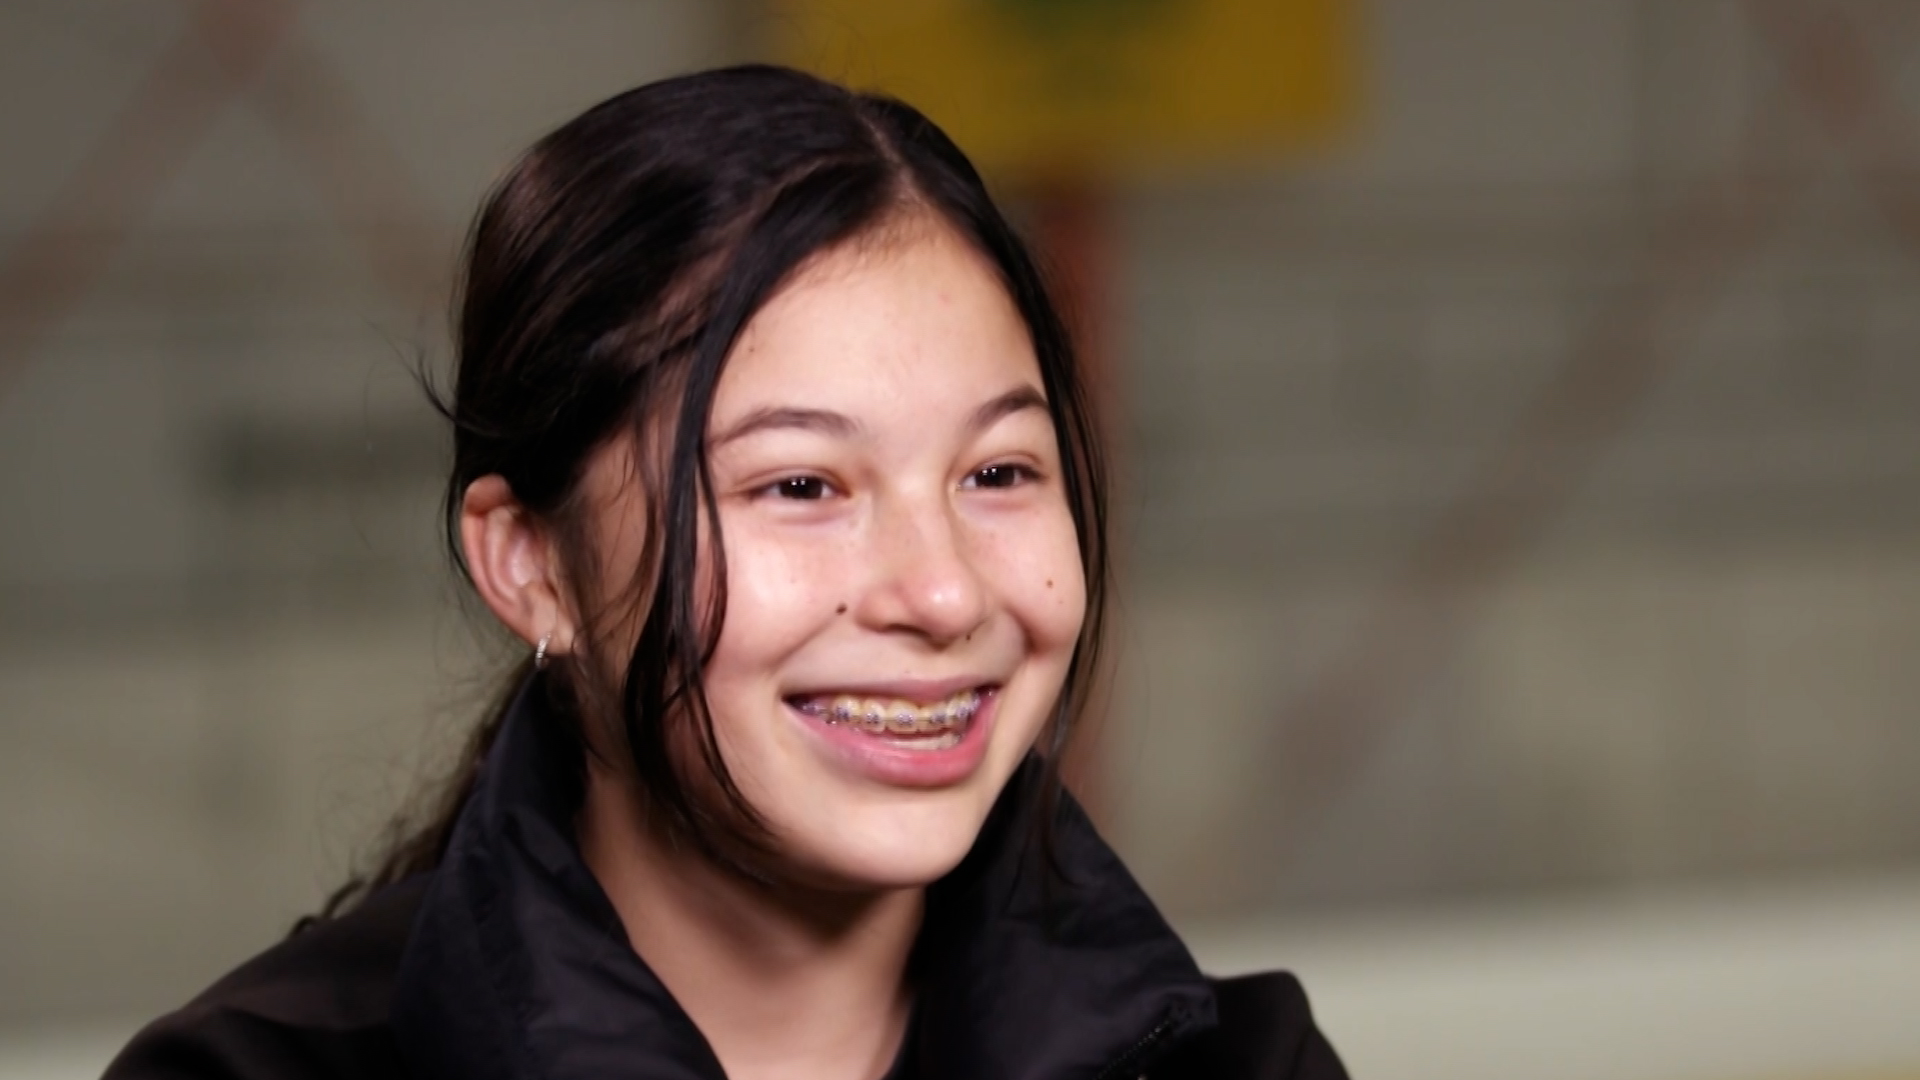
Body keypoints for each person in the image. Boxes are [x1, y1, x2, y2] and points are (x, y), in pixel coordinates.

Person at [104, 65, 1348, 1080]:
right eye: (801, 486)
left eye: (998, 472)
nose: (946, 594)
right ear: (531, 564)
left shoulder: (1240, 1066)